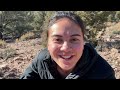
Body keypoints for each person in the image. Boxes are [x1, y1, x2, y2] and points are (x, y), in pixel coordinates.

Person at [20, 11, 116, 79]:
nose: (65, 48)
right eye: (58, 39)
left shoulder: (103, 72)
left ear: (83, 42)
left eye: (74, 39)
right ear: (47, 44)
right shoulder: (42, 61)